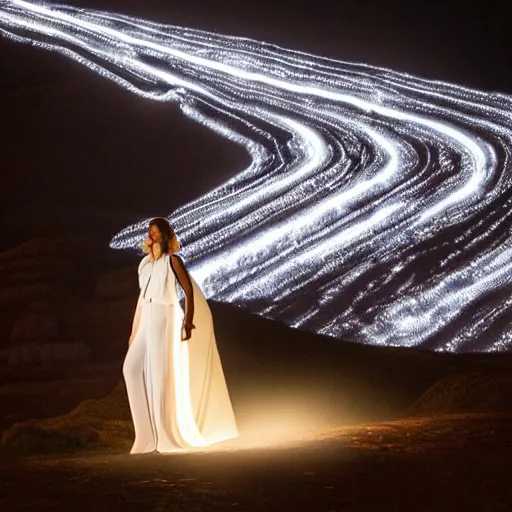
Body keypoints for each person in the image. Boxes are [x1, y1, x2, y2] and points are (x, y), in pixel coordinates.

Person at [122, 217, 238, 453]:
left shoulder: (172, 261)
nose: (151, 235)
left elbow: (188, 290)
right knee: (130, 368)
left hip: (166, 315)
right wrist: (135, 330)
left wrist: (188, 321)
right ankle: (145, 436)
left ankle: (165, 436)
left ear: (164, 235)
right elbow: (142, 298)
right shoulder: (145, 265)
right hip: (148, 318)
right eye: (149, 231)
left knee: (159, 376)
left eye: (155, 232)